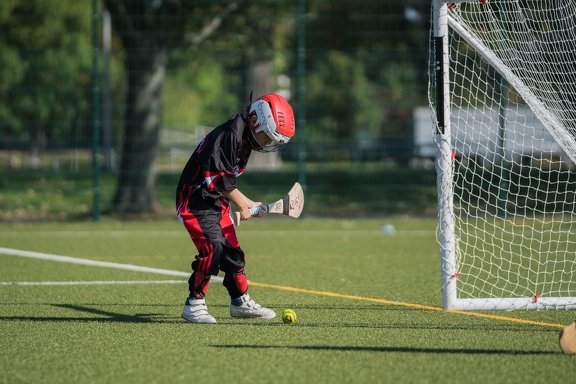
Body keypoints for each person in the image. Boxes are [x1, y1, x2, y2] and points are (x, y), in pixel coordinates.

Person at [176, 93, 296, 323]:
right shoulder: (229, 135)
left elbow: (226, 182)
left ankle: (240, 302)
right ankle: (194, 304)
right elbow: (217, 178)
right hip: (195, 201)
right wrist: (242, 203)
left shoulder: (245, 141)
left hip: (215, 200)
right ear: (253, 119)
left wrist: (245, 203)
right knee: (213, 249)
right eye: (265, 136)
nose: (266, 142)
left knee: (232, 251)